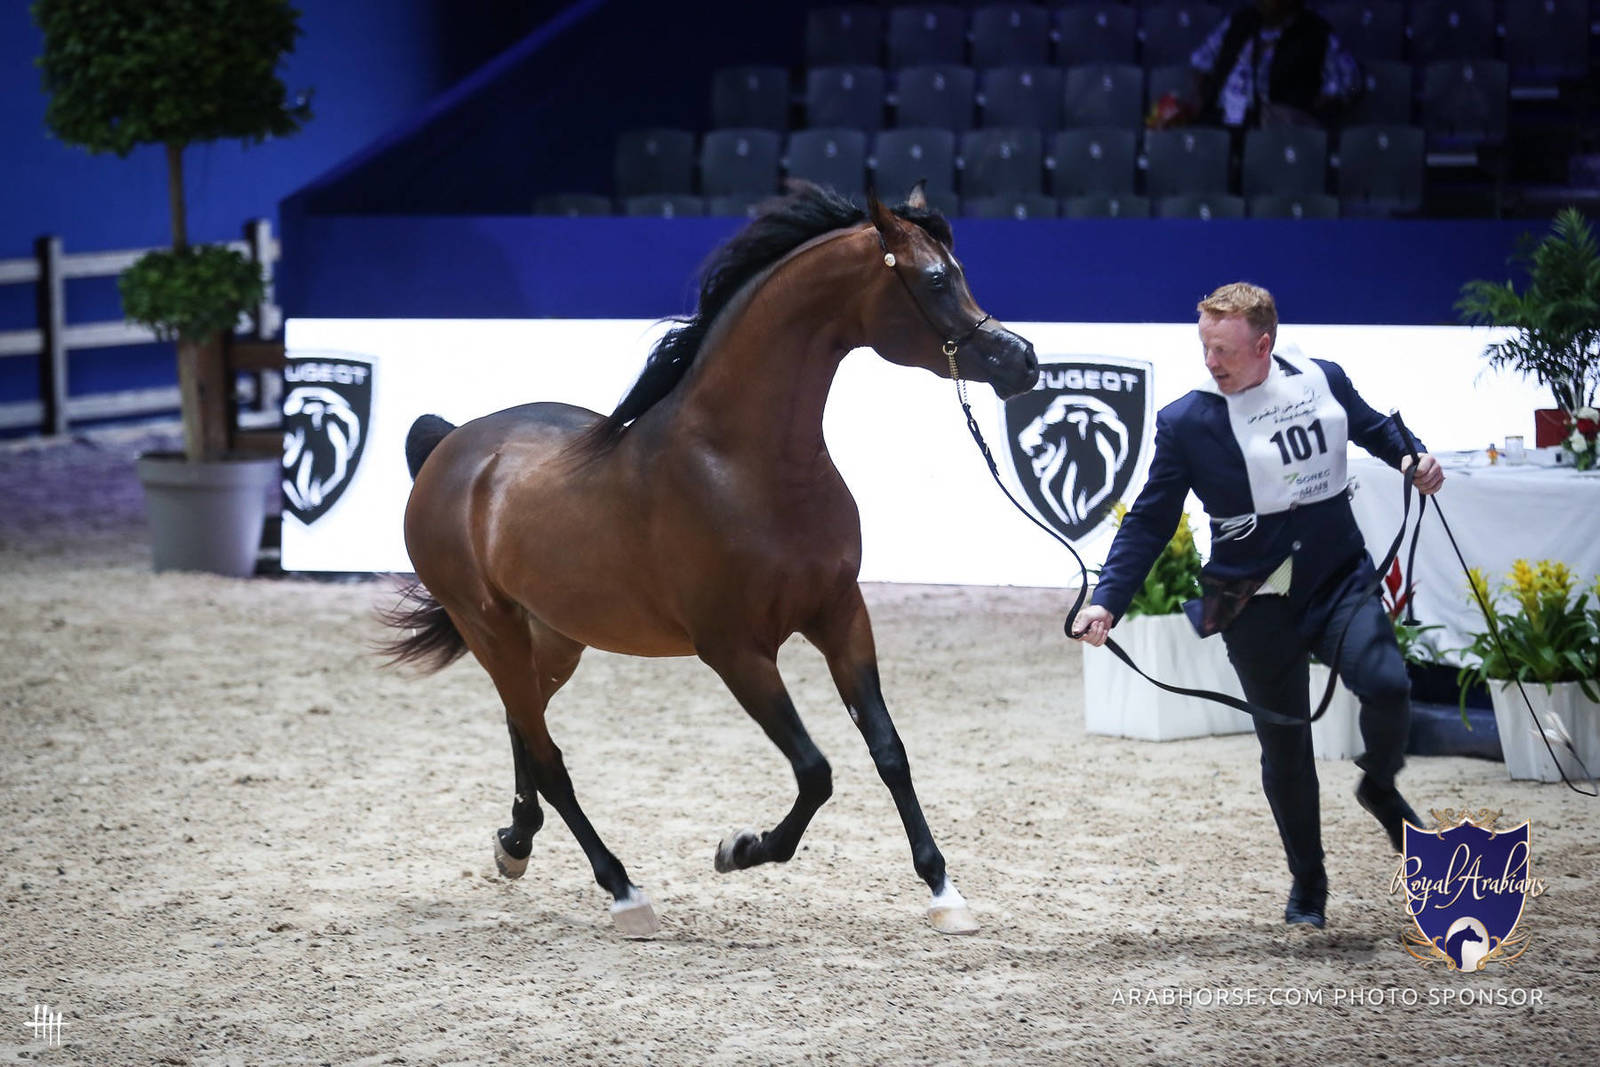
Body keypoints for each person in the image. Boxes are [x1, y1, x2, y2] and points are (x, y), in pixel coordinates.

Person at [1072, 282, 1444, 929]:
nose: (1210, 362)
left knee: (1388, 684)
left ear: (1264, 344)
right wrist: (1106, 600)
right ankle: (1309, 879)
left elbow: (1374, 427)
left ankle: (1379, 784)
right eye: (1204, 346)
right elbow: (1150, 521)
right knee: (1287, 748)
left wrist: (1411, 457)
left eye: (1224, 350)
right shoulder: (1188, 422)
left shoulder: (1319, 379)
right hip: (1253, 604)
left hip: (1337, 581)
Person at [1190, 0, 1361, 128]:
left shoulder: (1316, 32)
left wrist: (1308, 113)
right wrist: (1200, 97)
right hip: (1220, 122)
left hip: (1274, 134)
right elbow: (1201, 61)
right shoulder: (1240, 21)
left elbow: (1352, 84)